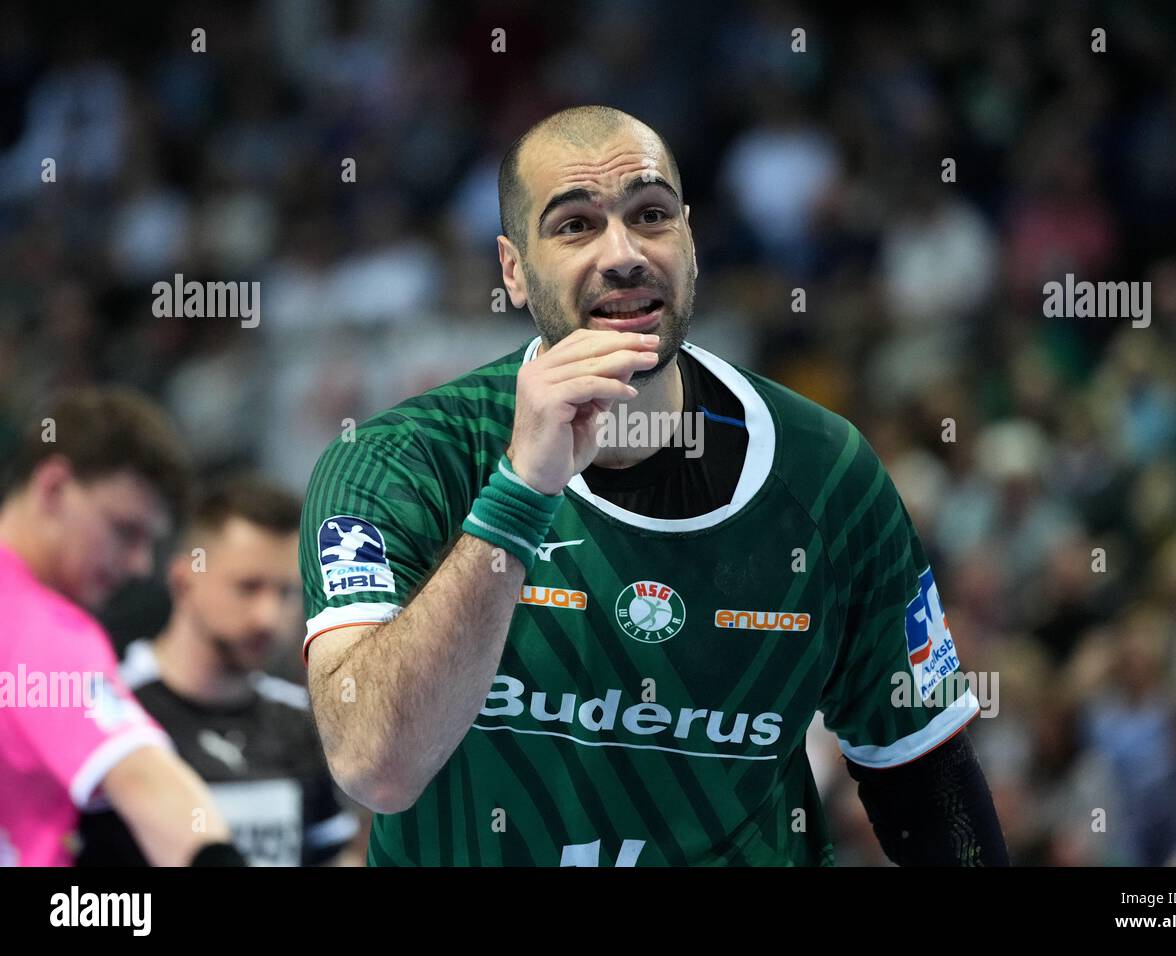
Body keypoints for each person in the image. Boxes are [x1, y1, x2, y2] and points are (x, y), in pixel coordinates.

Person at [301, 105, 1008, 866]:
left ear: (691, 241)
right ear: (513, 270)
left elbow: (926, 784)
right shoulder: (402, 462)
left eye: (651, 215)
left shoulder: (827, 473)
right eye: (574, 226)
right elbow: (376, 763)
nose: (624, 253)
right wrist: (520, 493)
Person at [0, 387, 243, 866]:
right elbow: (147, 783)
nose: (138, 565)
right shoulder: (38, 629)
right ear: (53, 488)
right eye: (124, 530)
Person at [77, 475, 359, 866]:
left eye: (286, 592)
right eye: (248, 587)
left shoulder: (303, 719)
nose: (269, 617)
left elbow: (333, 857)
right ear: (182, 580)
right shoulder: (113, 712)